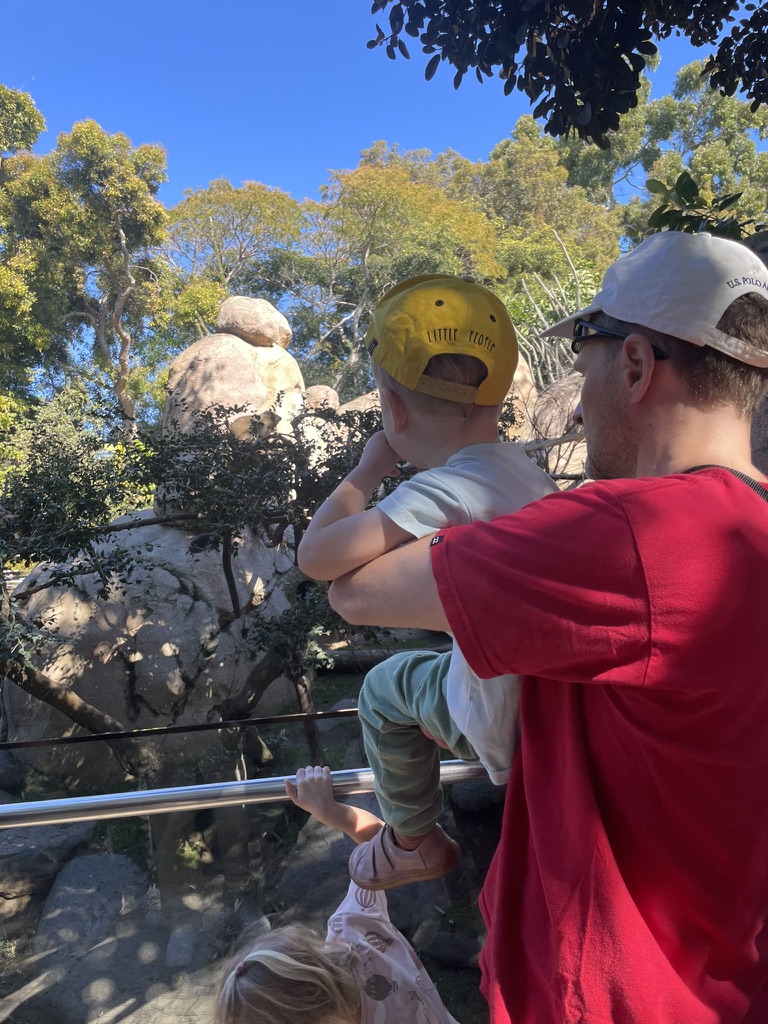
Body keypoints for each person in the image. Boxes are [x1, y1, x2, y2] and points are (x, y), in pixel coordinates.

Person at [327, 231, 768, 1024]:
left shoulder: (628, 533)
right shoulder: (754, 526)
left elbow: (351, 591)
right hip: (730, 979)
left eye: (585, 354)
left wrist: (406, 472)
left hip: (610, 995)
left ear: (633, 364)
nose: (578, 378)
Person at [298, 274, 556, 890]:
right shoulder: (529, 476)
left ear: (393, 409)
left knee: (386, 685)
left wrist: (367, 469)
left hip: (494, 718)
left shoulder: (446, 488)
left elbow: (318, 558)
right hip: (550, 710)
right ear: (500, 400)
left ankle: (412, 837)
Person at [213, 765, 460, 1024]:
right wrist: (330, 811)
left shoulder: (352, 927)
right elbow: (382, 848)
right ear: (304, 949)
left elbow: (380, 849)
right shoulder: (352, 929)